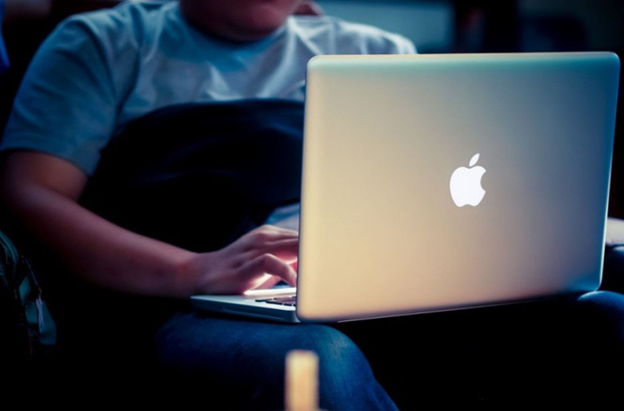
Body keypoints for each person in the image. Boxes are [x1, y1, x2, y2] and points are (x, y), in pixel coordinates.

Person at [0, 0, 622, 409]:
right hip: (189, 301)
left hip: (383, 295)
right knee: (310, 360)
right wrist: (192, 270)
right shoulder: (105, 42)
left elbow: (437, 201)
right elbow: (28, 194)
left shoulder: (376, 50)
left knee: (605, 316)